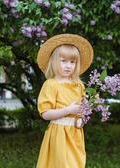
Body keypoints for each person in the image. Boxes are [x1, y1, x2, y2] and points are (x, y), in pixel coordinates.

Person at [36, 33, 93, 168]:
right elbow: (45, 113)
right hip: (59, 134)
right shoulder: (51, 84)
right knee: (61, 164)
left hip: (75, 134)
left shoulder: (78, 85)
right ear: (54, 61)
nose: (68, 66)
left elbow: (83, 110)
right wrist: (68, 110)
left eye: (72, 62)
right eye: (64, 61)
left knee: (76, 163)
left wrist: (87, 110)